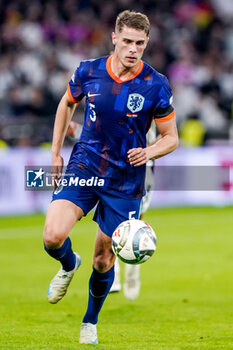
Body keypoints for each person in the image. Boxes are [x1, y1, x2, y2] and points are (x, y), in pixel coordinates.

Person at [43, 10, 179, 345]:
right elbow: (66, 105)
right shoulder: (88, 71)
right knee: (52, 237)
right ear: (114, 38)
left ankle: (89, 322)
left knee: (103, 258)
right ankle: (68, 263)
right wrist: (56, 152)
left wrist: (148, 153)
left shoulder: (155, 85)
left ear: (146, 44)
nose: (133, 49)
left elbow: (171, 137)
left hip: (125, 181)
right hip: (85, 166)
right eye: (128, 41)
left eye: (140, 44)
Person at [110, 121, 157, 300]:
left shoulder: (155, 95)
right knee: (110, 211)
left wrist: (151, 148)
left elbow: (167, 133)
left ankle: (133, 268)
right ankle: (112, 267)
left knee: (136, 216)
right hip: (110, 159)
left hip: (143, 163)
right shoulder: (110, 93)